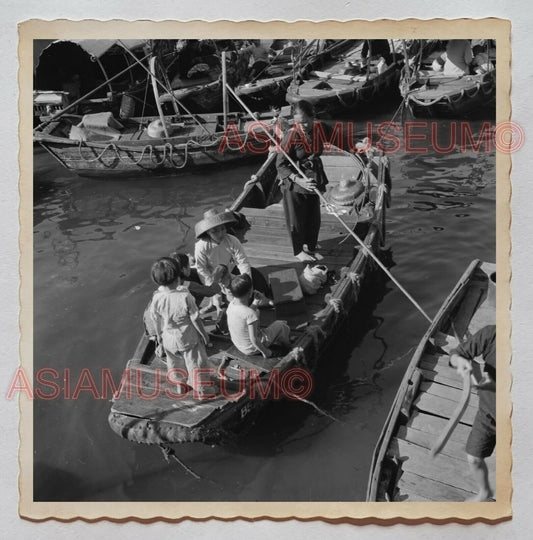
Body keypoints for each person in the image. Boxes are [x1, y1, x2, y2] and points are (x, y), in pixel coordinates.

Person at [148, 257, 215, 398]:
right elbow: (195, 318)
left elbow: (155, 319)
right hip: (187, 338)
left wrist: (160, 338)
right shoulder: (185, 295)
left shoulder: (156, 297)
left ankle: (180, 386)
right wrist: (204, 335)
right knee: (196, 364)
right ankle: (202, 390)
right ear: (178, 277)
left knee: (175, 363)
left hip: (168, 338)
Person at [276, 100, 329, 262]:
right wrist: (299, 181)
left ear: (313, 118)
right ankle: (298, 251)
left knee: (313, 218)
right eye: (298, 122)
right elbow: (280, 164)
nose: (302, 125)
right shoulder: (292, 135)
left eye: (305, 121)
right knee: (296, 220)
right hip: (294, 184)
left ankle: (310, 247)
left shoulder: (320, 128)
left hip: (313, 179)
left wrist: (359, 145)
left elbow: (340, 139)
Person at [449, 325, 496, 501]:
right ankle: (484, 492)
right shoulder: (492, 334)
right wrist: (459, 361)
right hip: (488, 413)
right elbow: (456, 353)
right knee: (474, 458)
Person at [194, 208, 269, 294]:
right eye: (214, 231)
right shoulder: (201, 246)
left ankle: (266, 297)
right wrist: (212, 288)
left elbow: (242, 262)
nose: (220, 234)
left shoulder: (232, 240)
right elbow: (202, 269)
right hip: (213, 276)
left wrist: (247, 283)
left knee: (255, 275)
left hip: (229, 271)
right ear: (208, 232)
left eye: (222, 229)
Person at [227, 274, 290, 358]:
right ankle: (288, 347)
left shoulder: (231, 305)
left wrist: (255, 302)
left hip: (240, 345)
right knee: (282, 325)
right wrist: (266, 352)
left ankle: (278, 337)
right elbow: (254, 339)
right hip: (252, 348)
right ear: (250, 292)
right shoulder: (250, 313)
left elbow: (244, 315)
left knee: (256, 311)